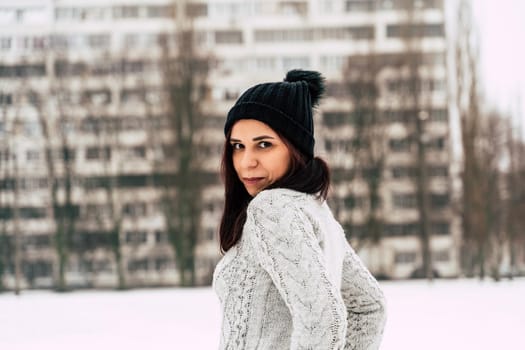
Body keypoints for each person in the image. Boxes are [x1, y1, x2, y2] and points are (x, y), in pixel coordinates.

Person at [213, 69, 387, 350]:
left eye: (264, 145)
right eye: (237, 146)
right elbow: (369, 308)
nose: (246, 162)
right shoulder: (314, 210)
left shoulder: (272, 209)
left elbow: (324, 320)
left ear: (295, 148)